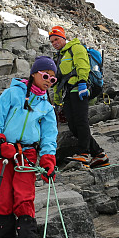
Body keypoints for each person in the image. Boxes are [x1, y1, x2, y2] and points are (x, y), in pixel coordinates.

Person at [0, 56, 59, 238]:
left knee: (24, 197)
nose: (48, 81)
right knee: (1, 197)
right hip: (5, 152)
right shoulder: (12, 93)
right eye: (46, 76)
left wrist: (48, 159)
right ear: (34, 73)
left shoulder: (47, 106)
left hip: (27, 154)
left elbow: (49, 136)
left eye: (53, 80)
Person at [48, 25, 108, 168]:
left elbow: (82, 65)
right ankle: (99, 154)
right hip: (69, 92)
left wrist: (82, 83)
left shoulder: (76, 47)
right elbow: (58, 80)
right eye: (52, 41)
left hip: (81, 89)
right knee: (73, 124)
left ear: (63, 37)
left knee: (81, 122)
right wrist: (57, 102)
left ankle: (83, 153)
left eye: (56, 39)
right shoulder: (59, 56)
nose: (54, 43)